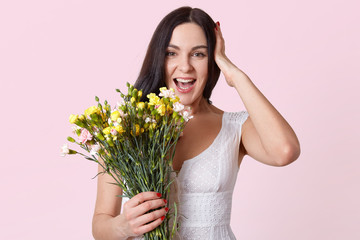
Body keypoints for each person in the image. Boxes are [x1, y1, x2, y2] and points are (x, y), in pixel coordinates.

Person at [92, 6, 300, 240]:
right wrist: (124, 226)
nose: (185, 66)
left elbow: (285, 151)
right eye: (172, 53)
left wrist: (235, 75)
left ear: (212, 61)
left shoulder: (234, 127)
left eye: (198, 54)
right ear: (158, 58)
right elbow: (101, 224)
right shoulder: (127, 129)